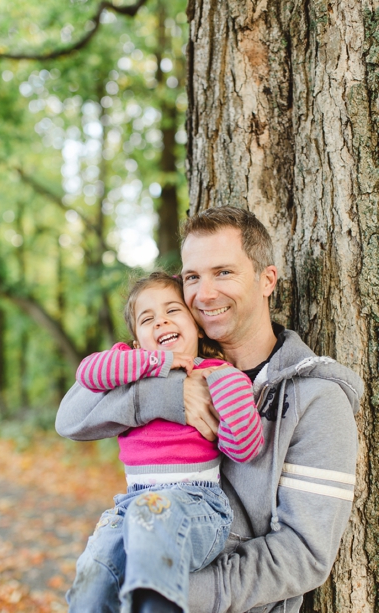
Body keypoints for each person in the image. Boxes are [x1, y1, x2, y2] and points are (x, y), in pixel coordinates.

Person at [56, 207, 362, 613]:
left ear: (266, 280)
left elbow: (304, 555)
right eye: (193, 277)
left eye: (224, 273)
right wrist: (168, 396)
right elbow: (71, 417)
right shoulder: (164, 364)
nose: (205, 294)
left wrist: (171, 589)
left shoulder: (318, 399)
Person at [65, 272, 262, 613]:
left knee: (150, 514)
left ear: (197, 326)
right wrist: (157, 362)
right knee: (93, 572)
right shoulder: (130, 372)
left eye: (173, 310)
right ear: (136, 343)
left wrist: (231, 389)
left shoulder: (216, 373)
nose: (162, 321)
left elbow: (244, 448)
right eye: (147, 318)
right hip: (131, 504)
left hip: (199, 503)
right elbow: (88, 372)